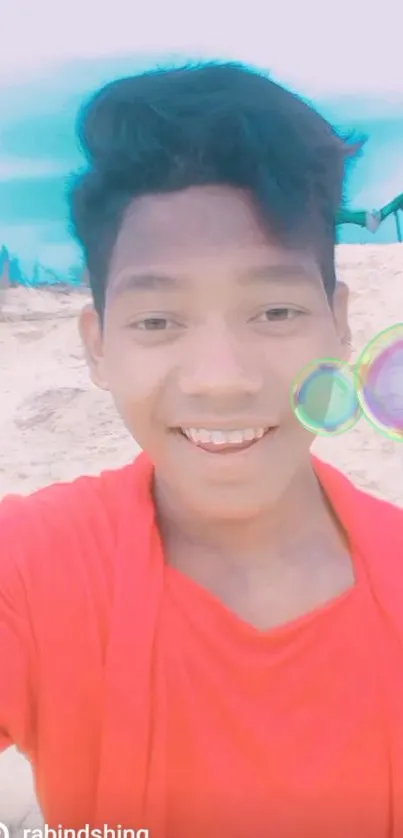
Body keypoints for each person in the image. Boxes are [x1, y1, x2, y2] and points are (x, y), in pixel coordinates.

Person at [1, 62, 403, 838]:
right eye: (158, 322)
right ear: (98, 346)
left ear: (339, 323)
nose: (221, 382)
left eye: (275, 310)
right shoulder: (31, 570)